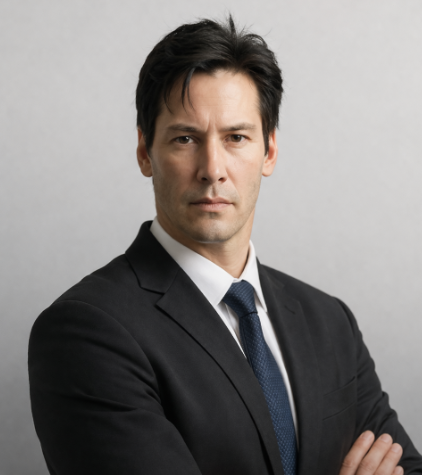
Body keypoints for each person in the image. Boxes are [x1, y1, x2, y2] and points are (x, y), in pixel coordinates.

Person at [28, 16, 422, 475]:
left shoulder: (329, 322)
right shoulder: (87, 332)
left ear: (269, 150)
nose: (212, 168)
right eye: (185, 138)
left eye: (236, 137)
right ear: (145, 151)